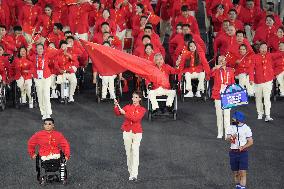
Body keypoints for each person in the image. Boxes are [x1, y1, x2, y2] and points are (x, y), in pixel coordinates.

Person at [114, 91, 146, 182]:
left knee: (135, 152)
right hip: (127, 132)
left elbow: (135, 119)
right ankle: (131, 173)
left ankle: (134, 174)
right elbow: (118, 113)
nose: (134, 99)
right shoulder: (127, 107)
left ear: (140, 99)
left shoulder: (142, 109)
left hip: (137, 133)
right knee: (129, 153)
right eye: (133, 97)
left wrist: (125, 113)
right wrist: (116, 106)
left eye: (136, 97)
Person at [226, 111, 253, 189]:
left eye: (234, 118)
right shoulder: (230, 127)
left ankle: (242, 187)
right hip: (233, 153)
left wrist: (243, 147)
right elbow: (227, 139)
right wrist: (231, 137)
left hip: (243, 153)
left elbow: (251, 142)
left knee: (242, 172)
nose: (232, 119)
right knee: (236, 173)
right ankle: (238, 187)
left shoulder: (246, 128)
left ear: (238, 119)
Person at [211, 55, 235, 138]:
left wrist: (232, 95)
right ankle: (220, 133)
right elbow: (209, 75)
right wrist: (214, 68)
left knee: (227, 115)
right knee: (219, 115)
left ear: (226, 61)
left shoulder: (231, 70)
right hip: (217, 94)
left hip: (227, 95)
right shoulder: (216, 70)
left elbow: (232, 83)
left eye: (223, 59)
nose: (221, 61)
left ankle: (227, 134)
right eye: (219, 59)